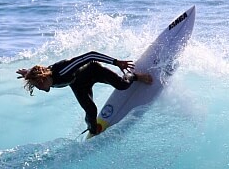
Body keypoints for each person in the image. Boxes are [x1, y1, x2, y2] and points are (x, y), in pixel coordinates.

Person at [16, 51, 152, 136]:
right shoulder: (42, 78)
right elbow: (38, 72)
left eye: (38, 85)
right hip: (78, 84)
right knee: (91, 110)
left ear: (43, 79)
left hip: (94, 71)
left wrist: (116, 62)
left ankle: (134, 76)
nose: (39, 89)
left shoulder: (63, 70)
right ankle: (92, 131)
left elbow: (90, 55)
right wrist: (27, 73)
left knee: (122, 85)